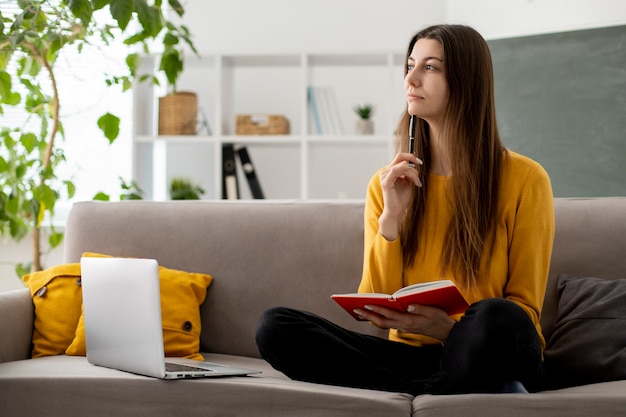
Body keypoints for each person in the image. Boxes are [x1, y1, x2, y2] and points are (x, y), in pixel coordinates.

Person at [255, 24, 555, 395]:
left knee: (496, 314)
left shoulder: (526, 179)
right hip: (413, 355)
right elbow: (376, 305)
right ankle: (433, 391)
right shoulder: (389, 183)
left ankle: (422, 390)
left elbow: (524, 310)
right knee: (276, 327)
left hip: (493, 348)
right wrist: (391, 220)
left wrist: (448, 330)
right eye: (410, 65)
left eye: (430, 67)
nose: (411, 79)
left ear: (466, 81)